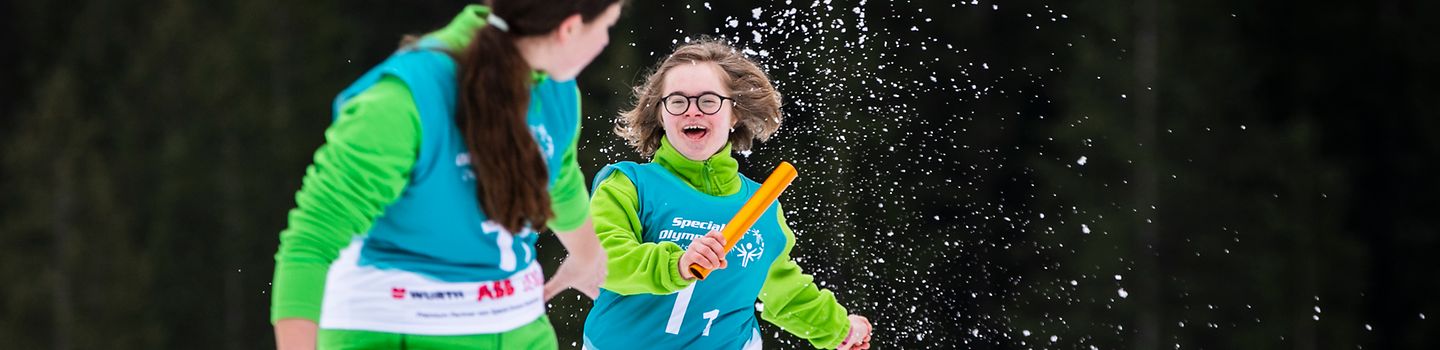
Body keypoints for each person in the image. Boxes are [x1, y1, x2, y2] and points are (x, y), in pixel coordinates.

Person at [269, 1, 622, 349]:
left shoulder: (555, 89)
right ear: (570, 28)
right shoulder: (399, 102)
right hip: (396, 331)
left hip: (518, 327)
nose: (606, 40)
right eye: (606, 25)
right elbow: (311, 242)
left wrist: (587, 256)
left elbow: (557, 179)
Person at [581, 38, 873, 350]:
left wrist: (837, 328)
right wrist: (676, 265)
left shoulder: (762, 207)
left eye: (708, 101)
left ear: (734, 113)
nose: (692, 112)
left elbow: (784, 290)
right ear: (660, 115)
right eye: (678, 102)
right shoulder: (628, 185)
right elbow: (603, 261)